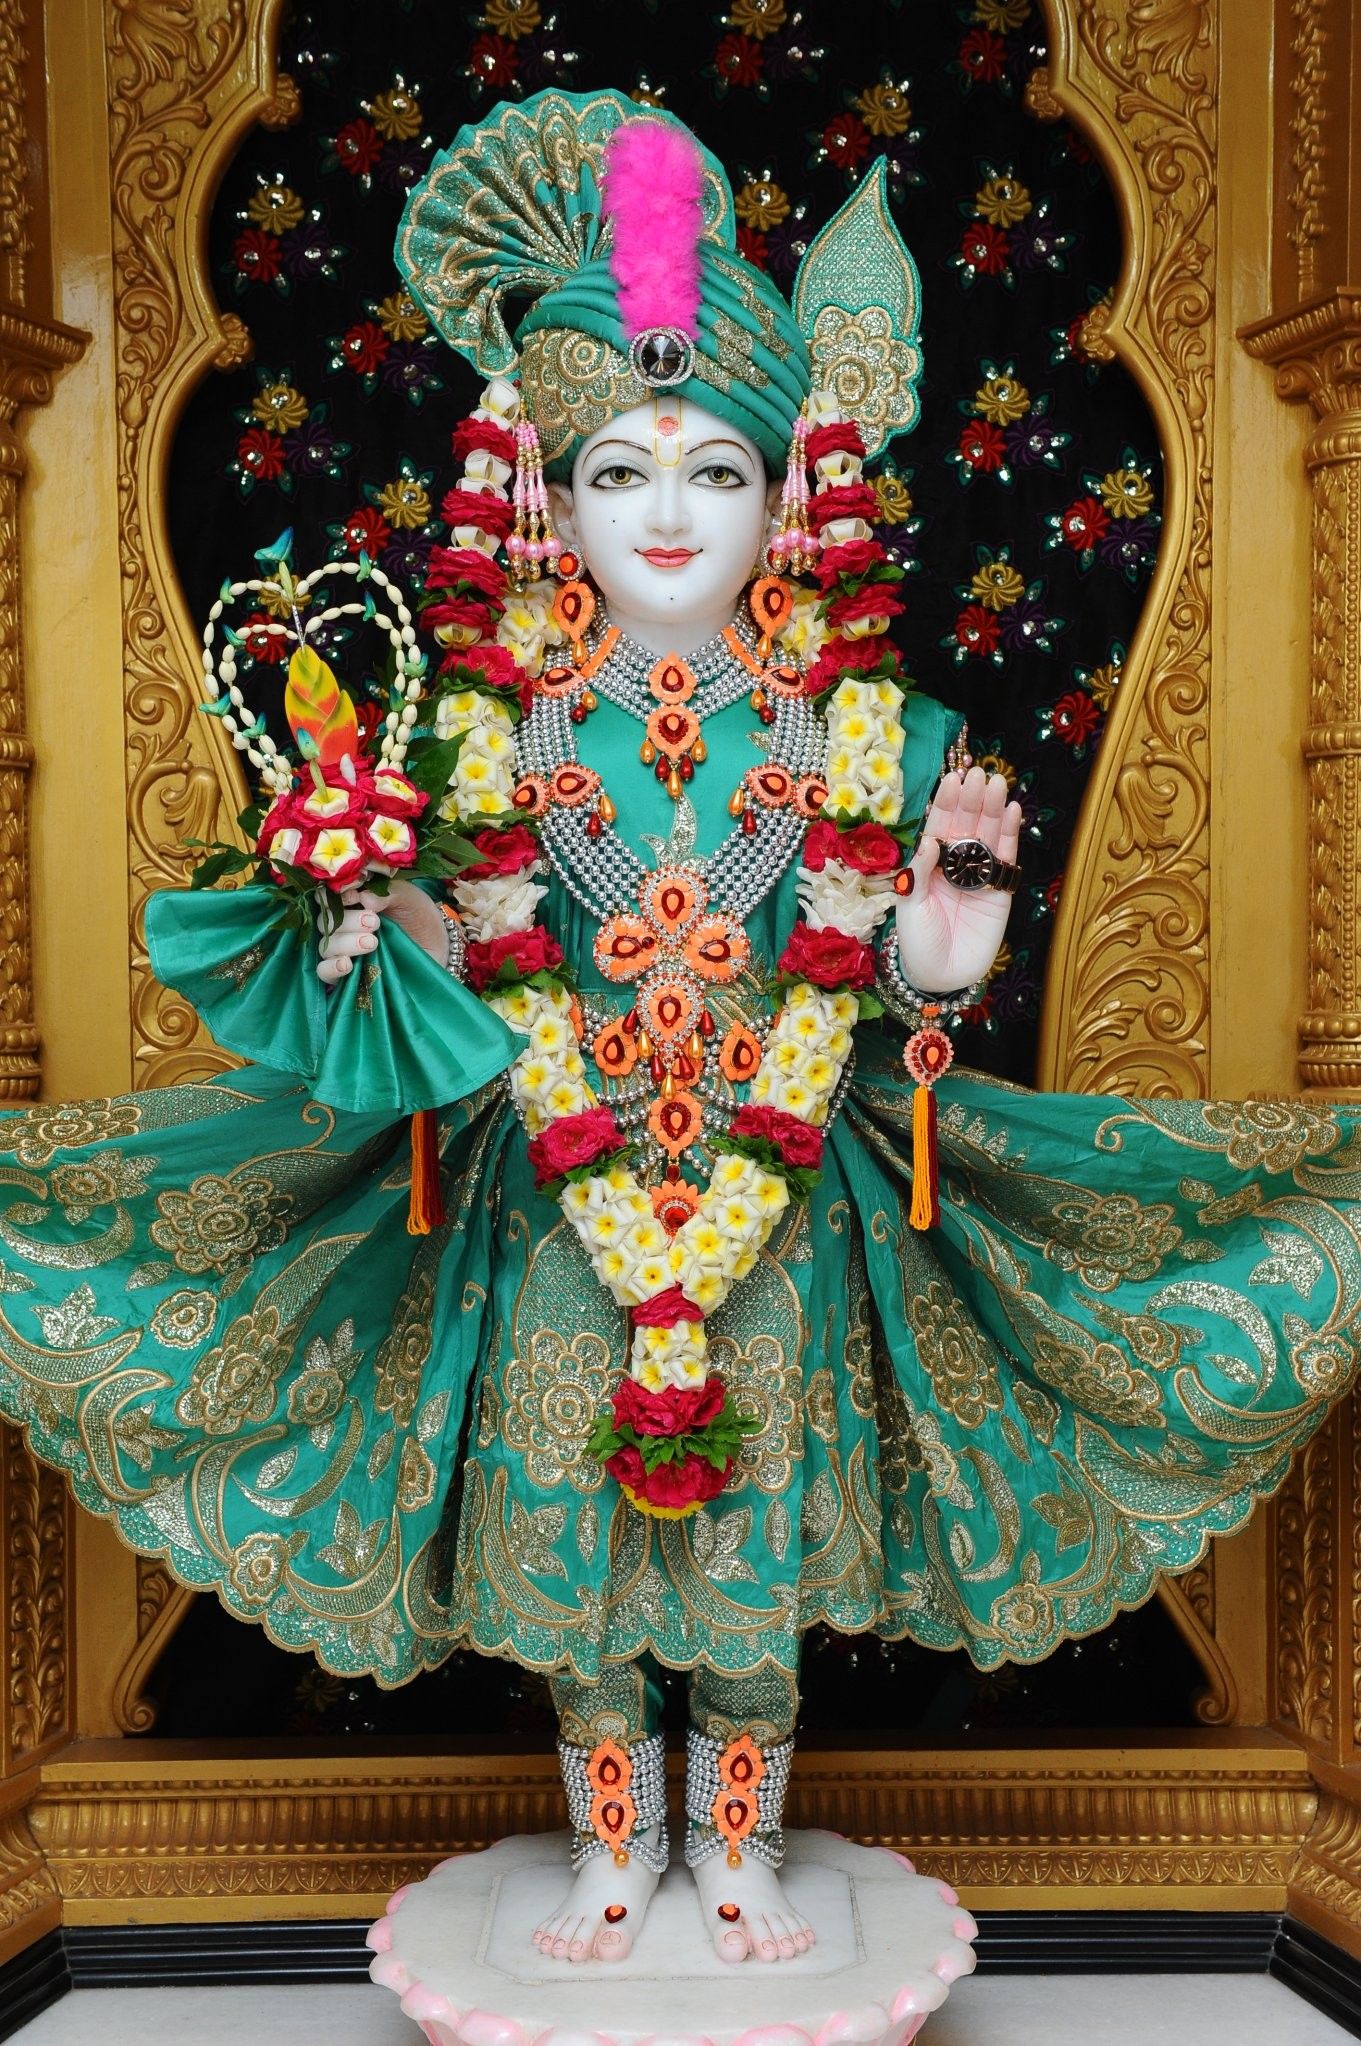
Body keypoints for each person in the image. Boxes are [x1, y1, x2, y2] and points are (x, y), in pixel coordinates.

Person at [0, 88, 1357, 1972]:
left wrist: (949, 945)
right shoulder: (474, 741)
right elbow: (436, 969)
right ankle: (607, 1841)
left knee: (752, 1531)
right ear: (548, 499)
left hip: (778, 1194)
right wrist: (351, 911)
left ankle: (740, 1845)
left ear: (787, 497)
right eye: (619, 473)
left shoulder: (881, 738)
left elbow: (895, 996)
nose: (662, 515)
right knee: (565, 1501)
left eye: (711, 473)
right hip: (549, 1197)